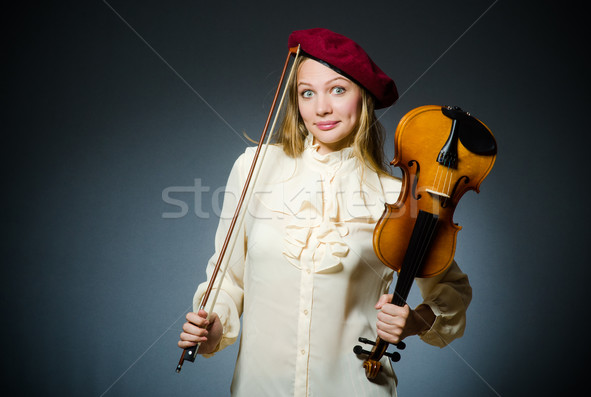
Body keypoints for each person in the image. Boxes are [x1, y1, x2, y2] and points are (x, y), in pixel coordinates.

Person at [178, 28, 472, 396]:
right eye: (307, 93)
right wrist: (213, 330)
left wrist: (413, 321)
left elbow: (452, 294)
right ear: (295, 100)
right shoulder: (253, 167)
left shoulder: (397, 196)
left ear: (362, 98)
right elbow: (228, 279)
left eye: (337, 90)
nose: (321, 108)